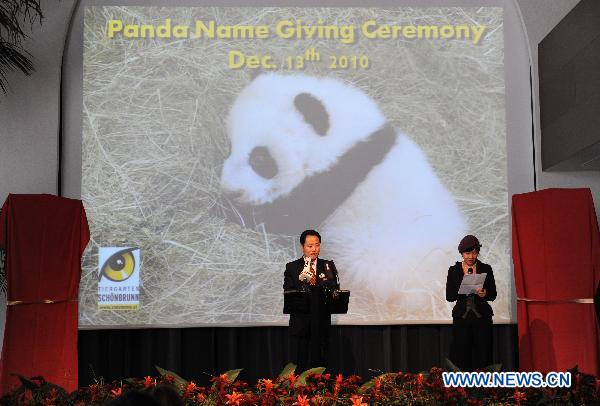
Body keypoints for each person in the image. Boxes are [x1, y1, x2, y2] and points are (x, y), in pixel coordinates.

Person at [283, 229, 339, 371]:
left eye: (317, 245)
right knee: (300, 364)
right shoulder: (292, 267)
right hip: (301, 325)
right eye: (310, 246)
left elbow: (335, 290)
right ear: (302, 246)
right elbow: (289, 292)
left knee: (321, 365)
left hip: (321, 325)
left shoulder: (328, 266)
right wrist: (304, 279)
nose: (314, 249)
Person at [446, 234, 497, 371]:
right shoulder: (454, 270)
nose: (470, 257)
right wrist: (463, 288)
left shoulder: (486, 268)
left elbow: (493, 294)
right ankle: (462, 390)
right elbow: (449, 297)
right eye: (467, 253)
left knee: (484, 355)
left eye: (474, 253)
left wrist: (484, 293)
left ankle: (485, 388)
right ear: (462, 253)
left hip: (482, 318)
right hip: (462, 318)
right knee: (461, 355)